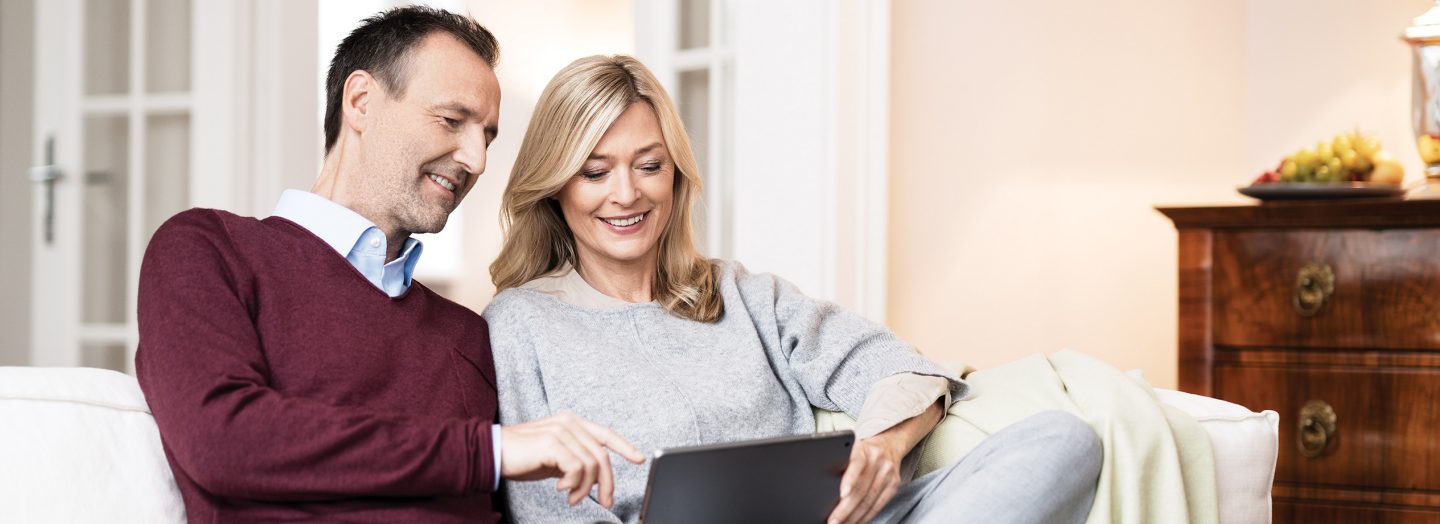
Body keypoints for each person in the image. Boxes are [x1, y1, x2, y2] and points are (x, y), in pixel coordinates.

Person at [484, 54, 1104, 524]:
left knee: (1063, 440)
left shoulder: (741, 293)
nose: (627, 194)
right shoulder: (520, 324)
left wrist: (882, 451)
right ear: (556, 184)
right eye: (595, 172)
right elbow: (548, 511)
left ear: (676, 174)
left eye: (649, 165)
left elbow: (903, 371)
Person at [136, 8, 641, 523]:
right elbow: (224, 440)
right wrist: (486, 452)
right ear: (360, 101)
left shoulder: (466, 335)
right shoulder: (210, 250)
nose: (476, 160)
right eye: (452, 121)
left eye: (486, 136)